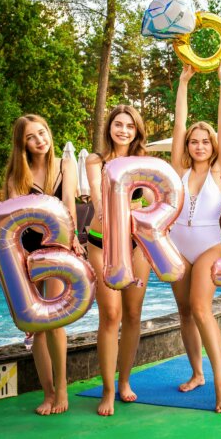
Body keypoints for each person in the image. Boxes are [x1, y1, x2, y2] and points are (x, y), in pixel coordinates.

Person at [3, 114, 83, 415]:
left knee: (55, 321)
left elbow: (70, 210)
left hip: (60, 247)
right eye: (31, 137)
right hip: (29, 252)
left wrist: (73, 240)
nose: (40, 140)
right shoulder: (17, 177)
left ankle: (62, 389)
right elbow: (16, 223)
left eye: (43, 132)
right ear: (22, 144)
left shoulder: (65, 165)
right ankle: (47, 392)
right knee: (37, 325)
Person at [168, 63, 221, 413]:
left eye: (204, 141)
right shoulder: (178, 170)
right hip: (177, 245)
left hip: (208, 244)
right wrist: (183, 81)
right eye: (194, 142)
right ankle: (197, 373)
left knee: (201, 308)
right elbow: (179, 124)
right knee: (184, 311)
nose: (198, 145)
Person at [85, 105, 151, 416]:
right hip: (102, 244)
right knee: (110, 315)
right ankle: (108, 390)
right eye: (118, 124)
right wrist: (105, 208)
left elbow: (155, 203)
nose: (123, 130)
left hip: (137, 245)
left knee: (133, 314)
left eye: (129, 126)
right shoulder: (96, 161)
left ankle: (125, 381)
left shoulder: (145, 165)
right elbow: (98, 198)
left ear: (137, 131)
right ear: (109, 128)